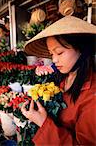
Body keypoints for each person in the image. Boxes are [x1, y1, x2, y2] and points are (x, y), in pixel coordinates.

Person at [21, 16, 96, 145]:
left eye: (59, 52)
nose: (54, 60)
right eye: (51, 54)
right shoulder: (64, 78)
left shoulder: (93, 97)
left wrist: (43, 123)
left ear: (82, 50)